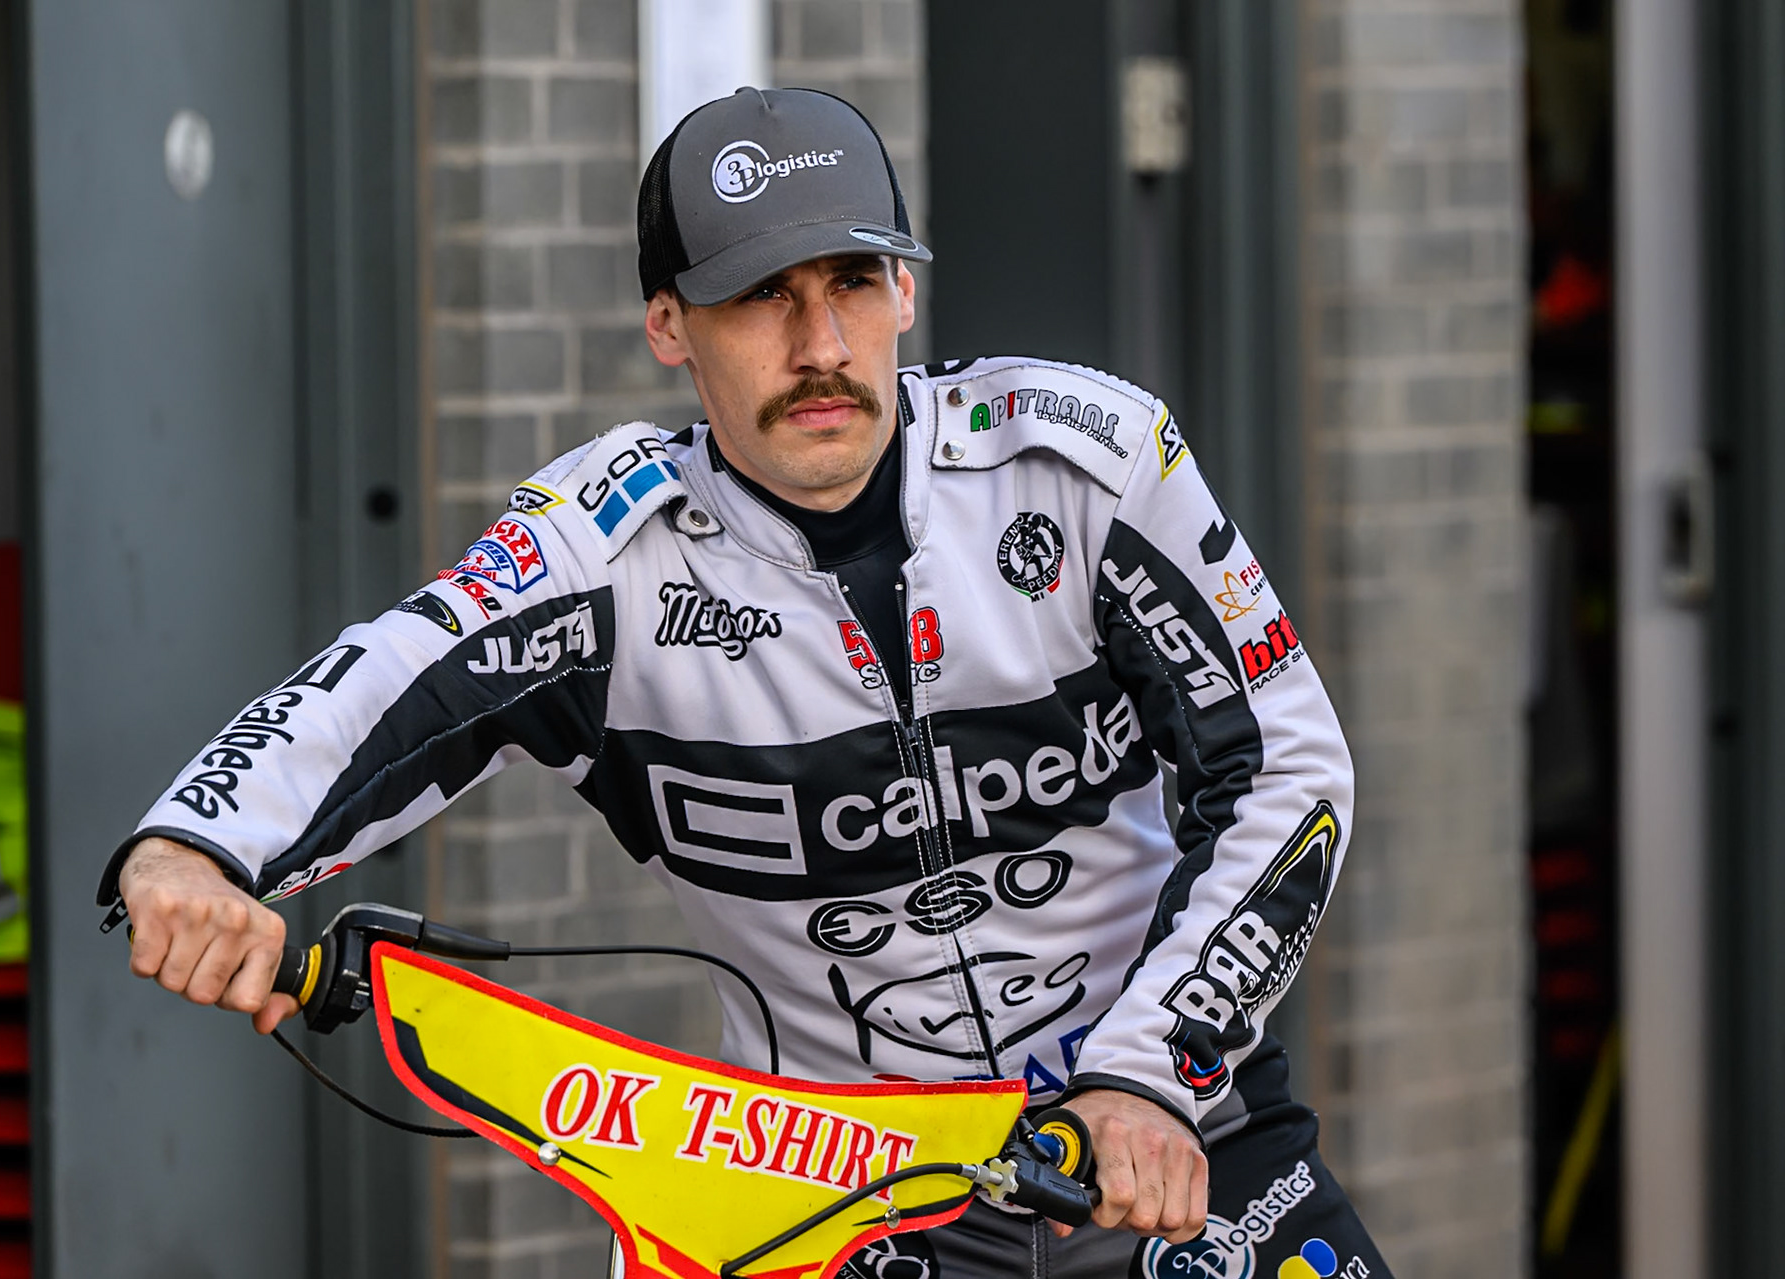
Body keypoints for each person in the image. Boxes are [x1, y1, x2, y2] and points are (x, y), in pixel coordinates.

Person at [99, 87, 1390, 1279]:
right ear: (669, 324)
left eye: (851, 281)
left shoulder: (1087, 464)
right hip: (851, 1204)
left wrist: (1151, 1073)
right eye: (760, 295)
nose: (821, 341)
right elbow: (392, 676)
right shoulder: (609, 555)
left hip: (1179, 1140)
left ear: (905, 291)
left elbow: (1284, 764)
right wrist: (198, 849)